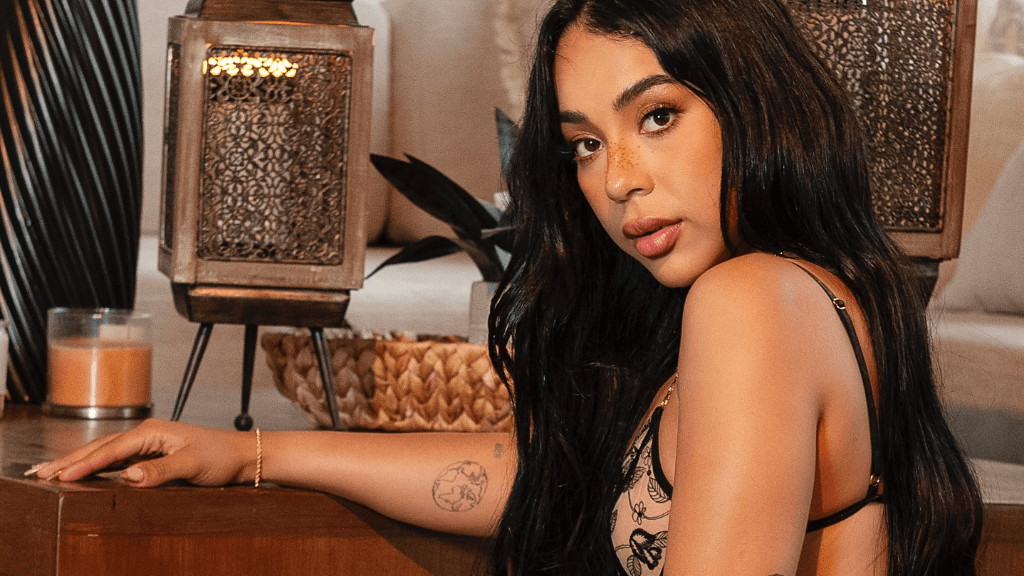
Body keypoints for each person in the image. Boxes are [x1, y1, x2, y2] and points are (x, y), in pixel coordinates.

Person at [28, 0, 983, 574]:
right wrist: (254, 454)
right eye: (585, 145)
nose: (617, 181)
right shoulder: (805, 298)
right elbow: (549, 473)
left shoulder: (752, 305)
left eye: (657, 116)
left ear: (754, 102)